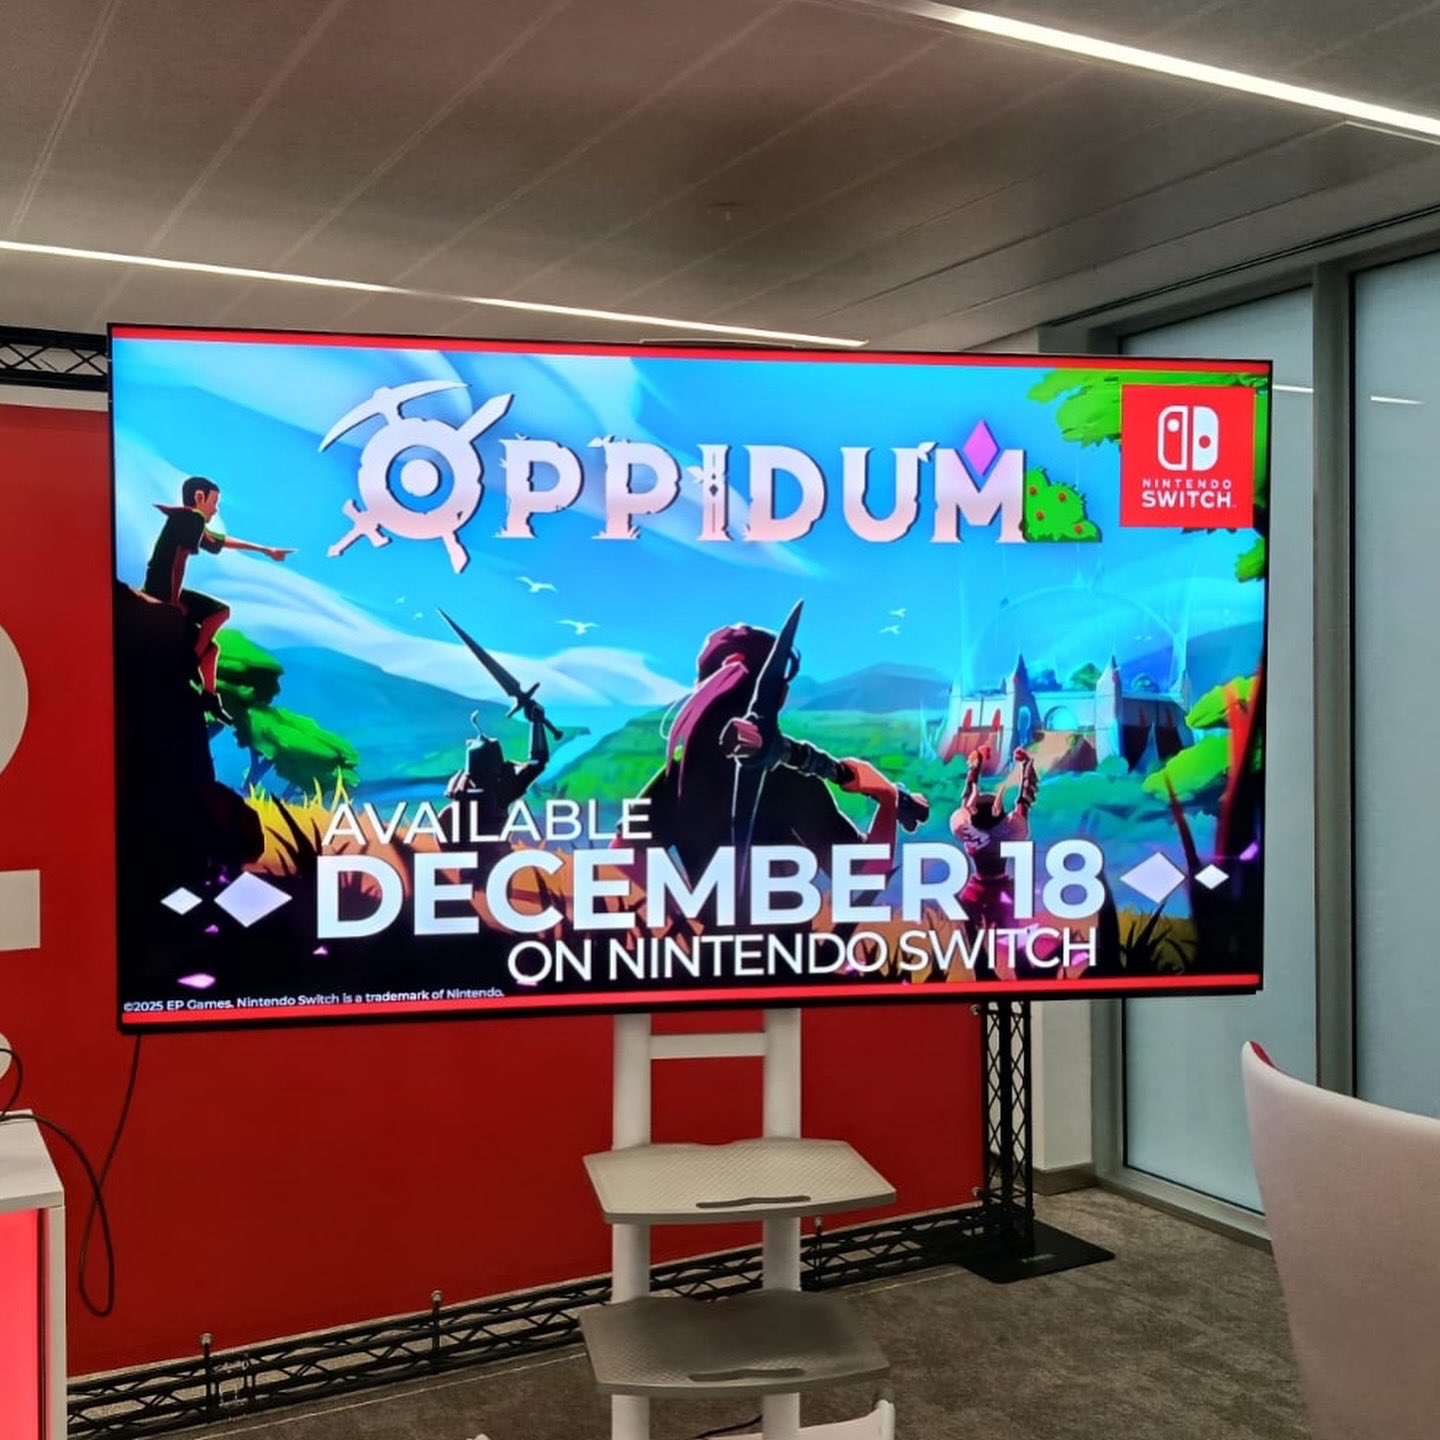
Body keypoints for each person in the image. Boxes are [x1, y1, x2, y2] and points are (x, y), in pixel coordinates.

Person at [143, 476, 292, 723]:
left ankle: (210, 698)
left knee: (212, 650)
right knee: (220, 612)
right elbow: (179, 559)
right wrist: (173, 601)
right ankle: (189, 662)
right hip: (162, 589)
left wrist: (265, 550)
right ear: (199, 497)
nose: (215, 509)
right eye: (214, 502)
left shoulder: (191, 522)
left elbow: (220, 542)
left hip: (163, 587)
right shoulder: (192, 518)